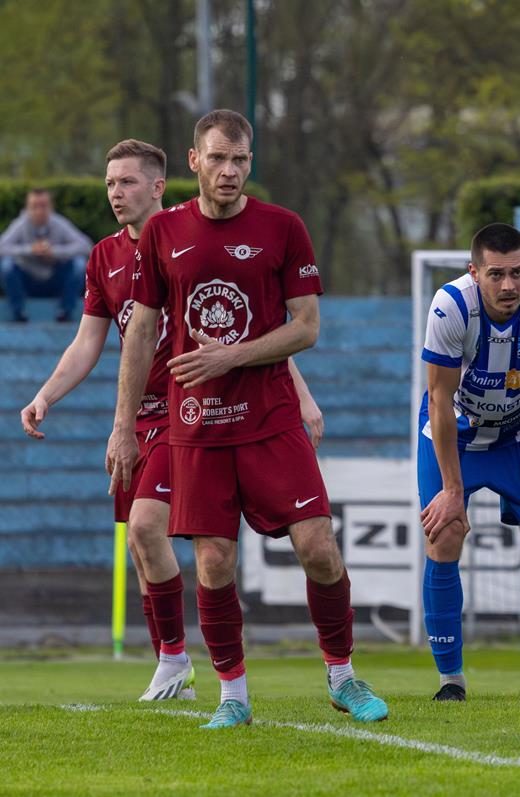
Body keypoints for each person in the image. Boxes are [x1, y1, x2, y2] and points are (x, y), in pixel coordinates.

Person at [107, 109, 386, 729]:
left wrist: (232, 355)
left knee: (318, 545)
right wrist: (124, 426)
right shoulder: (163, 232)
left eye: (239, 160)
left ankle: (343, 676)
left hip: (270, 417)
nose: (229, 170)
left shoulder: (283, 227)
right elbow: (142, 331)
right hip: (197, 425)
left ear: (250, 162)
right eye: (218, 158)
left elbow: (306, 327)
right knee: (214, 562)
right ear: (194, 161)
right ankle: (233, 695)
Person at [19, 140, 327, 701]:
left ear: (159, 186)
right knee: (141, 546)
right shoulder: (104, 257)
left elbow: (251, 327)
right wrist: (46, 395)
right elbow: (89, 342)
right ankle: (174, 662)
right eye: (110, 184)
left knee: (146, 527)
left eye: (127, 182)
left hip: (189, 414)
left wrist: (301, 396)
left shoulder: (193, 237)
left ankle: (176, 660)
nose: (115, 193)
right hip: (139, 418)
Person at [419, 222, 520, 701]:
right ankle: (450, 681)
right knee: (445, 533)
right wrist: (452, 490)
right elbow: (438, 400)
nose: (509, 285)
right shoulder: (450, 306)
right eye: (496, 274)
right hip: (456, 436)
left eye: (517, 273)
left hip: (517, 437)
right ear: (474, 272)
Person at [0, 188, 92, 322]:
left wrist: (54, 252)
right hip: (27, 282)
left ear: (51, 207)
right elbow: (2, 247)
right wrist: (30, 250)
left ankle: (66, 311)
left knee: (79, 263)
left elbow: (86, 246)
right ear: (27, 208)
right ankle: (18, 311)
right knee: (7, 265)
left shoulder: (59, 223)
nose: (39, 211)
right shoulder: (19, 224)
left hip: (55, 280)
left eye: (43, 206)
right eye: (34, 206)